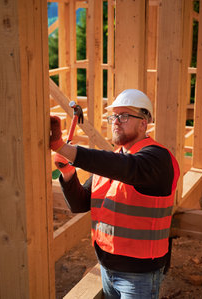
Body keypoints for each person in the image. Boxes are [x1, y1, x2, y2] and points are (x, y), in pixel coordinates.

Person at [50, 89, 180, 299]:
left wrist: (63, 148)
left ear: (143, 123)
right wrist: (68, 173)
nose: (116, 121)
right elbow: (81, 203)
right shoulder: (113, 161)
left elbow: (127, 168)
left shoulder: (158, 158)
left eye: (124, 116)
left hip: (139, 274)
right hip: (106, 267)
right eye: (113, 116)